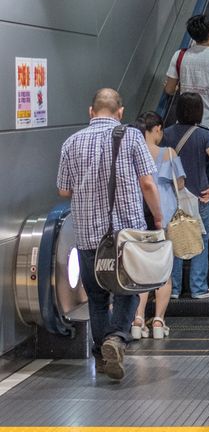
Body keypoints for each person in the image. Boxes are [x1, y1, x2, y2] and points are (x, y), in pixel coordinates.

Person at [57, 88, 162, 380]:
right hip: (125, 234)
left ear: (91, 112)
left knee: (97, 297)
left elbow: (64, 190)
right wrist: (158, 216)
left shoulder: (71, 142)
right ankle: (115, 339)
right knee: (128, 289)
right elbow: (148, 183)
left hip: (89, 235)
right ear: (120, 112)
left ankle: (102, 355)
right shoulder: (131, 137)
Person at [164, 14, 209, 235]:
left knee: (180, 175)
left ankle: (179, 223)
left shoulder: (179, 56)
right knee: (204, 176)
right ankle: (203, 224)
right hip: (208, 123)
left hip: (181, 125)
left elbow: (168, 88)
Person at [131, 111, 186, 340]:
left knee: (140, 271)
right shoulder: (168, 153)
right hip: (164, 216)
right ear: (156, 129)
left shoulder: (131, 153)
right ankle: (158, 321)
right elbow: (180, 183)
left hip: (137, 216)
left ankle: (137, 319)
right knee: (163, 270)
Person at [162, 92, 209, 299]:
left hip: (172, 195)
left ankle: (174, 288)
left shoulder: (166, 134)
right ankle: (198, 288)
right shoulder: (205, 135)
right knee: (200, 238)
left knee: (174, 237)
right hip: (200, 195)